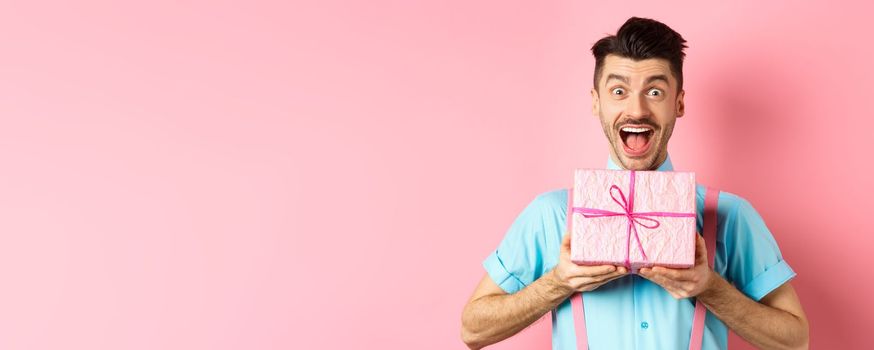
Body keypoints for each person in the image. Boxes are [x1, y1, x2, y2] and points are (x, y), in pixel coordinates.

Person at [460, 17, 809, 350]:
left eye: (655, 92)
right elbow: (473, 330)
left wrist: (710, 286)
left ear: (680, 102)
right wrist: (558, 282)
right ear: (597, 103)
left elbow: (796, 341)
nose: (637, 110)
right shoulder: (551, 214)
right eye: (618, 90)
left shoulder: (730, 215)